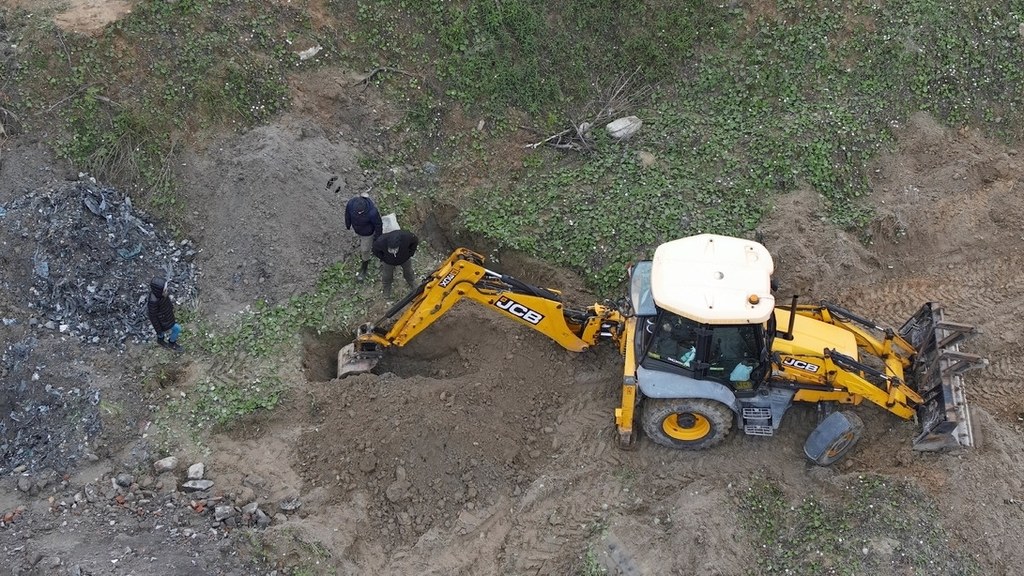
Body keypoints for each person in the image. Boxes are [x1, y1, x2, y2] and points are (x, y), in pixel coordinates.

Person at [344, 194, 383, 282]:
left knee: (365, 250)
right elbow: (347, 213)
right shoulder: (351, 204)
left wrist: (378, 237)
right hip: (357, 229)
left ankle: (364, 267)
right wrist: (348, 224)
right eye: (357, 212)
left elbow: (378, 224)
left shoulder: (372, 212)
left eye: (361, 212)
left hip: (367, 233)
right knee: (364, 245)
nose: (359, 213)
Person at [372, 229, 419, 299]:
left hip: (404, 258)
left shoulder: (406, 236)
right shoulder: (381, 241)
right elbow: (375, 250)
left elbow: (415, 241)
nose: (393, 251)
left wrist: (410, 253)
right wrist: (383, 258)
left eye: (395, 249)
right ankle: (387, 288)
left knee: (409, 271)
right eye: (391, 250)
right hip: (388, 262)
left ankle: (412, 282)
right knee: (387, 275)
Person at [147, 276, 183, 352]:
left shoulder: (162, 295)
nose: (167, 290)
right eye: (165, 289)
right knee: (177, 329)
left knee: (161, 333)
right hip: (163, 321)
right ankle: (171, 343)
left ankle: (161, 340)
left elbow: (167, 303)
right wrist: (158, 329)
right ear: (159, 290)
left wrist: (171, 308)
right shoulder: (153, 302)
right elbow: (153, 317)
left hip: (167, 317)